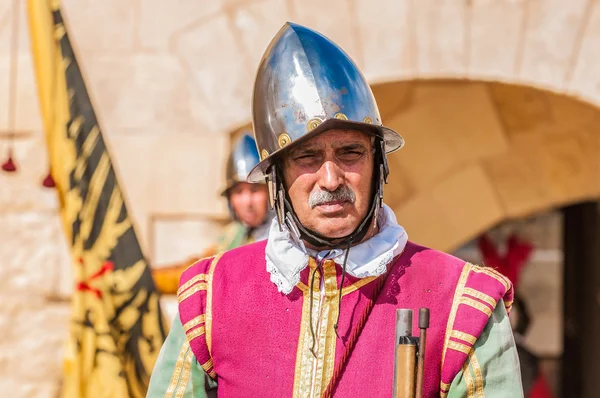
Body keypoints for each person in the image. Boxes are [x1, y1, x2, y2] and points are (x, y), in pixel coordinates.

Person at [147, 22, 523, 397]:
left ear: (378, 164)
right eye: (307, 157)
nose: (330, 179)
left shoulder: (463, 305)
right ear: (278, 176)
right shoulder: (212, 298)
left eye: (349, 152)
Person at [151, 133, 272, 294]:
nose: (248, 202)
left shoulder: (285, 234)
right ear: (230, 199)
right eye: (239, 192)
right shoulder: (230, 237)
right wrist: (146, 278)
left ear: (270, 191)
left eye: (255, 190)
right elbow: (196, 274)